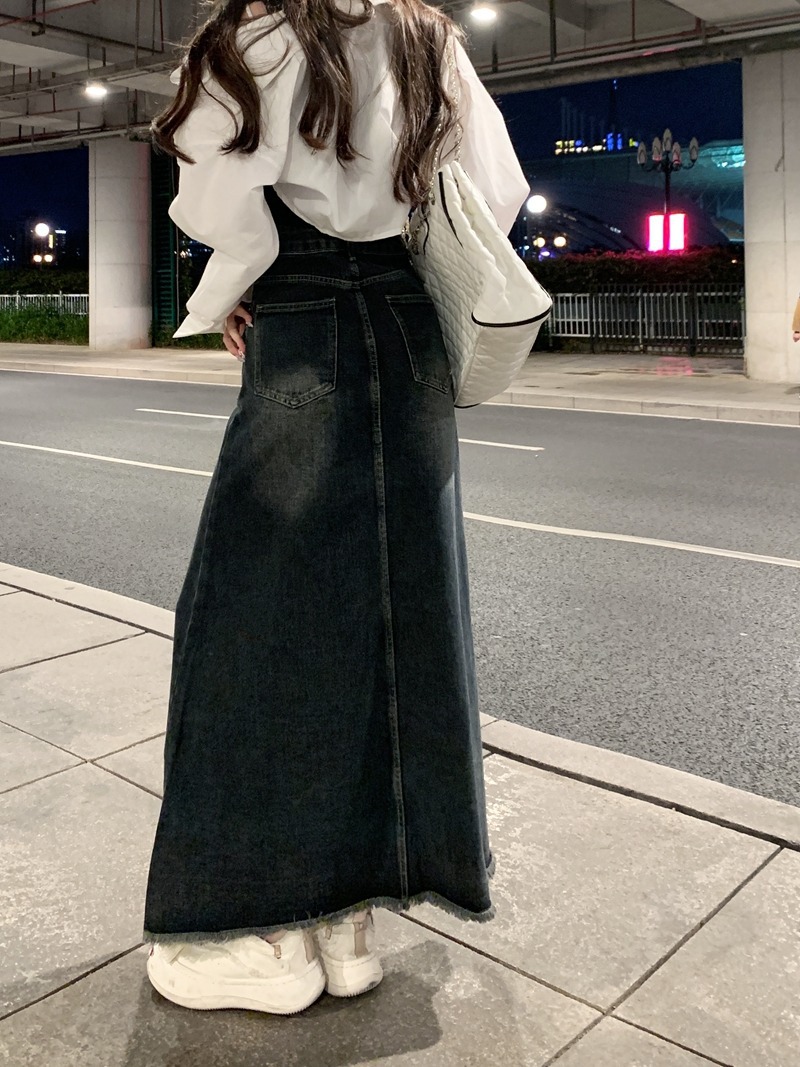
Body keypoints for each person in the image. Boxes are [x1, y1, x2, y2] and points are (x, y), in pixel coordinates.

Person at [143, 0, 529, 1016]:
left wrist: (231, 286)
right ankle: (349, 914)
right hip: (410, 324)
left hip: (304, 310)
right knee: (401, 607)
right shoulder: (427, 38)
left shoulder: (254, 38)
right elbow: (495, 188)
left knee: (253, 618)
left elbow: (217, 202)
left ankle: (255, 929)